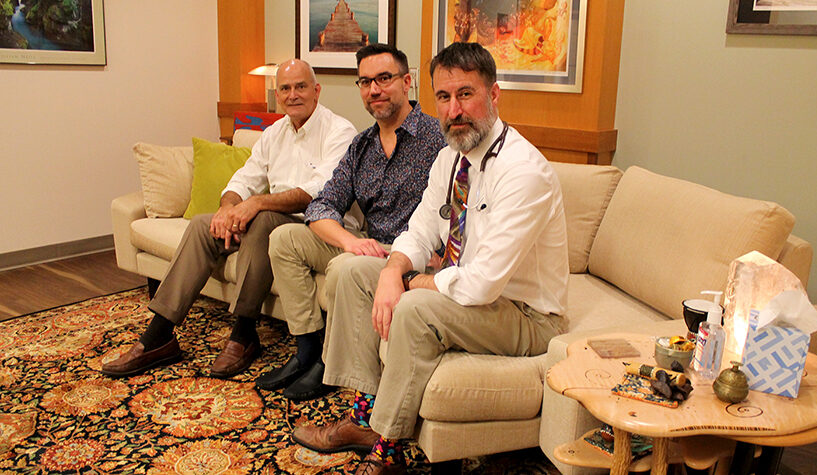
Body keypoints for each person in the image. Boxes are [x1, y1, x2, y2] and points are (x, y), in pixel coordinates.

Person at [290, 42, 570, 475]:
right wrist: (392, 271)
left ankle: (387, 451)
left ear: (493, 96)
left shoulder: (523, 172)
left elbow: (481, 284)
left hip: (525, 315)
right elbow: (420, 230)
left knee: (416, 307)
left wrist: (410, 285)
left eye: (465, 94)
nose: (454, 109)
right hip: (468, 295)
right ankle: (365, 412)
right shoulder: (450, 158)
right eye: (443, 97)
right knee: (349, 271)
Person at [101, 60, 358, 379]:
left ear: (316, 91)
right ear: (277, 95)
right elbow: (243, 179)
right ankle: (159, 335)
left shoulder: (340, 131)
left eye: (301, 86)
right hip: (269, 217)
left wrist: (255, 204)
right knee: (201, 225)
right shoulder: (274, 132)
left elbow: (318, 189)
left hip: (313, 226)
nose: (293, 95)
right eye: (285, 88)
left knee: (262, 220)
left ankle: (244, 331)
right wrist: (228, 209)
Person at [255, 43, 447, 401]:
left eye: (384, 79)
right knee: (284, 239)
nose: (374, 90)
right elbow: (322, 204)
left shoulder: (437, 139)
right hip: (370, 247)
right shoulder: (362, 146)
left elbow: (458, 208)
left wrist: (445, 255)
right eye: (365, 82)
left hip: (413, 253)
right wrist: (349, 241)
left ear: (407, 83)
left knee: (346, 267)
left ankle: (333, 368)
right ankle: (307, 350)